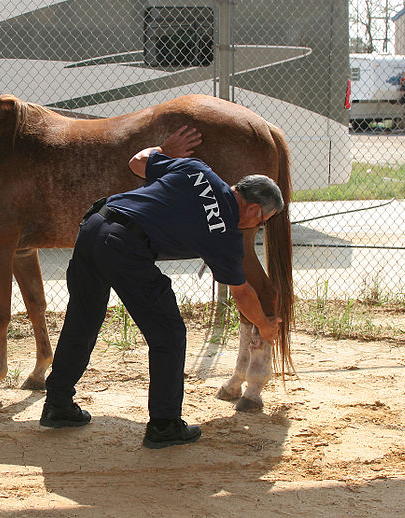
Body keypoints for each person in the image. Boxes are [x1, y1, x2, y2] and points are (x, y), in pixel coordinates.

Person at [39, 125, 283, 450]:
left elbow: (137, 162)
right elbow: (242, 293)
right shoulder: (226, 233)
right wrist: (265, 325)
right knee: (168, 334)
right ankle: (165, 425)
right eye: (263, 220)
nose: (259, 226)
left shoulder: (198, 169)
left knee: (82, 320)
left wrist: (166, 149)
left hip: (95, 224)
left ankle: (58, 405)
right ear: (253, 208)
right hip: (125, 245)